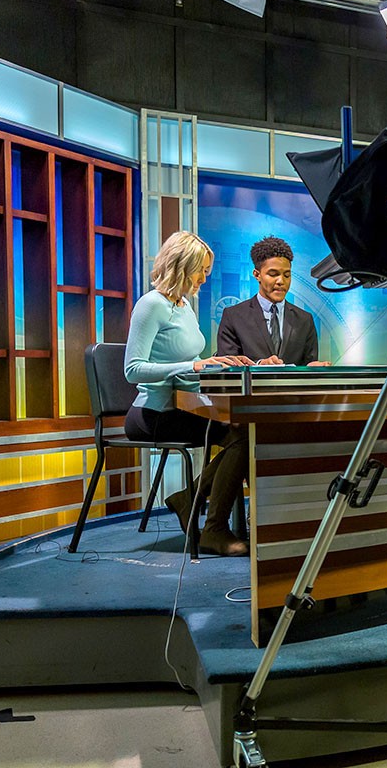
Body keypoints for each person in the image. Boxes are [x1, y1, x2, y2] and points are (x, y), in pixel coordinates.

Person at [123, 231, 254, 557]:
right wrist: (195, 366)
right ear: (182, 266)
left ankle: (190, 500)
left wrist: (218, 366)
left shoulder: (183, 307)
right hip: (152, 413)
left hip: (181, 408)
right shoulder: (150, 305)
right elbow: (133, 369)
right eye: (201, 270)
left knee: (247, 433)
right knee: (242, 436)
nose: (204, 278)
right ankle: (212, 528)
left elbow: (187, 364)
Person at [216, 236, 328, 366]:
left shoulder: (305, 320)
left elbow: (308, 364)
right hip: (250, 386)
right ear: (257, 275)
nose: (281, 281)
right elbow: (227, 367)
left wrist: (312, 370)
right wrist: (258, 365)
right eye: (273, 274)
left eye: (287, 275)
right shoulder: (233, 316)